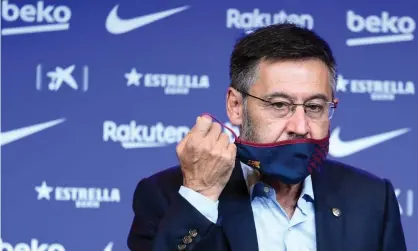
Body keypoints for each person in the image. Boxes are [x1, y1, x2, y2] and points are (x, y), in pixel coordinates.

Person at [127, 23, 407, 251]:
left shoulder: (372, 199)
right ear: (236, 106)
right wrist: (200, 196)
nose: (300, 126)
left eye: (315, 107)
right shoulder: (166, 196)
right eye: (279, 105)